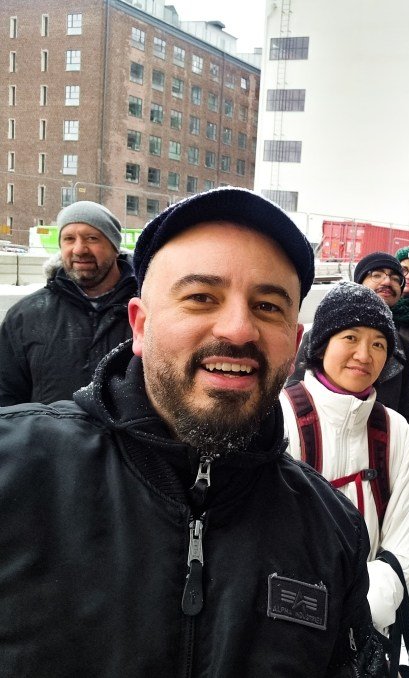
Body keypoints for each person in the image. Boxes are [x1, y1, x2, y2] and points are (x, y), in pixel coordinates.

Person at [0, 188, 387, 677]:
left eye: (268, 306)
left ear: (293, 345)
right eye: (202, 297)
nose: (238, 328)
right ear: (140, 327)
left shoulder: (330, 531)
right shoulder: (14, 472)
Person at [280, 281, 409, 634]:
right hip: (284, 619)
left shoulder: (395, 431)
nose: (365, 354)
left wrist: (366, 608)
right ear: (321, 343)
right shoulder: (279, 417)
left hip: (366, 620)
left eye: (378, 344)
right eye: (350, 338)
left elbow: (407, 536)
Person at [0, 201, 136, 405]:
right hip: (48, 437)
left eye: (92, 238)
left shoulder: (145, 309)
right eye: (69, 239)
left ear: (114, 247)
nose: (79, 249)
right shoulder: (25, 316)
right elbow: (6, 396)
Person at [291, 252, 409, 425]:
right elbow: (295, 391)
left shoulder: (404, 348)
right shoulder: (321, 334)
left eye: (396, 278)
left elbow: (407, 407)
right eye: (377, 274)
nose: (388, 282)